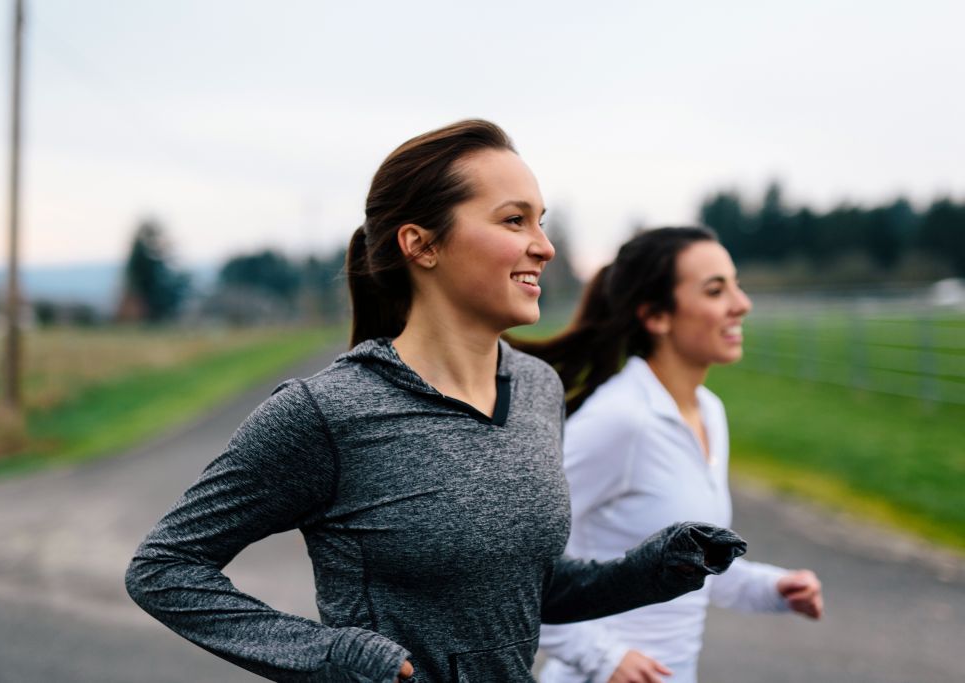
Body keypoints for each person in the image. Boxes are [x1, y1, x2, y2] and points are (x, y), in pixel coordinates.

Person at [124, 123, 748, 683]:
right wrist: (337, 656)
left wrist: (656, 566)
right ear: (422, 245)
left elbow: (522, 588)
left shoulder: (537, 389)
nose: (545, 246)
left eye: (542, 220)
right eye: (514, 221)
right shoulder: (328, 411)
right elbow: (165, 568)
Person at [515, 227, 824, 683]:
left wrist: (773, 588)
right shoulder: (621, 419)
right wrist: (602, 657)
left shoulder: (710, 412)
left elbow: (691, 564)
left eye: (736, 285)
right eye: (716, 290)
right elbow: (517, 568)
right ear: (656, 315)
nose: (742, 304)